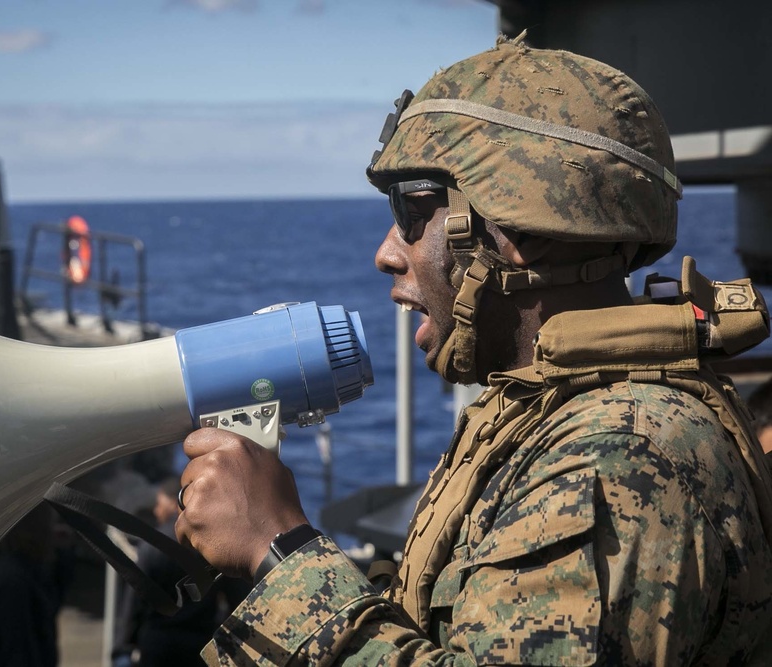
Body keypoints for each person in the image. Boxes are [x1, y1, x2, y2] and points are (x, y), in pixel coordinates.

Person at [174, 35, 772, 665]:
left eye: (412, 210)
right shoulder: (553, 409)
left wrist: (278, 551)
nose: (387, 253)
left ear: (516, 233)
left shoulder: (621, 452)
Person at [116, 477, 249, 666]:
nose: (156, 510)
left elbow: (134, 603)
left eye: (158, 503)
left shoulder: (151, 545)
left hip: (157, 644)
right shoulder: (214, 547)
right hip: (200, 645)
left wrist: (122, 648)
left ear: (174, 502)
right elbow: (237, 599)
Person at [0, 503, 74, 667]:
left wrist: (64, 555)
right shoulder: (14, 582)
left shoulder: (30, 569)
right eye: (48, 525)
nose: (52, 531)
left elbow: (52, 606)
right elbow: (18, 652)